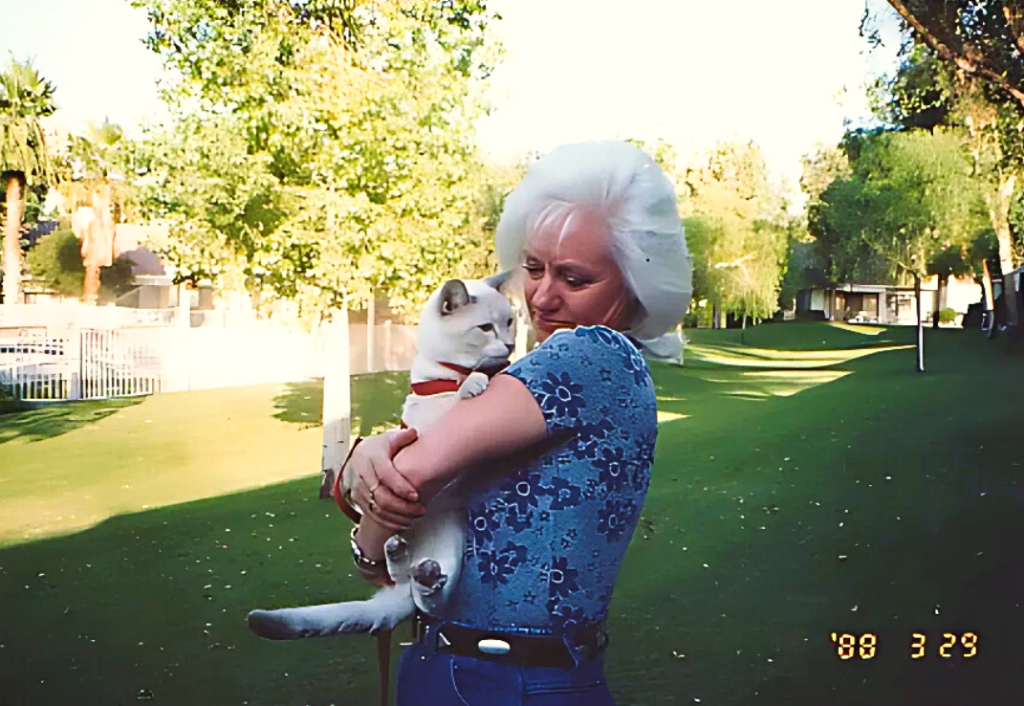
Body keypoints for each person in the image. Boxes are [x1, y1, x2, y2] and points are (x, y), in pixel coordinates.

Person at [340, 140, 692, 705]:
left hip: (500, 683)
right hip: (497, 671)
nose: (542, 297)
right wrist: (372, 487)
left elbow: (412, 474)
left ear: (634, 282)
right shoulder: (568, 373)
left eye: (575, 279)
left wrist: (363, 469)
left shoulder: (589, 355)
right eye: (533, 268)